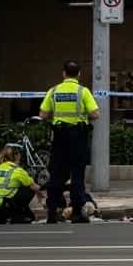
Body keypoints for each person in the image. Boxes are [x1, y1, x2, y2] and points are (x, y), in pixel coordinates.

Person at [38, 59, 100, 224]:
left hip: (59, 137)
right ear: (79, 74)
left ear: (63, 73)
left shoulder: (54, 91)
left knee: (56, 174)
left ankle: (52, 212)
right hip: (78, 137)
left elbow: (43, 114)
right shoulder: (83, 91)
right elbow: (95, 114)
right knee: (77, 175)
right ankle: (77, 213)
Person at [0, 145, 40, 225]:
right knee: (28, 188)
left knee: (11, 189)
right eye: (19, 156)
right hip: (3, 206)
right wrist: (43, 194)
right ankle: (17, 215)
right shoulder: (17, 170)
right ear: (16, 156)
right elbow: (34, 187)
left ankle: (0, 218)